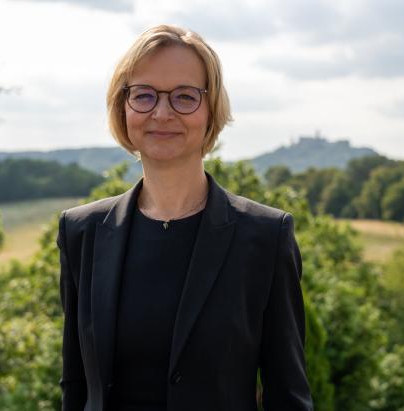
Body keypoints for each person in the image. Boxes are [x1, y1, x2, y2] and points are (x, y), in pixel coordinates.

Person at [56, 24, 313, 411]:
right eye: (143, 95)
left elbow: (288, 396)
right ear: (122, 107)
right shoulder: (81, 232)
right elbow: (76, 386)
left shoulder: (265, 237)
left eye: (184, 96)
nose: (162, 112)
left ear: (210, 111)